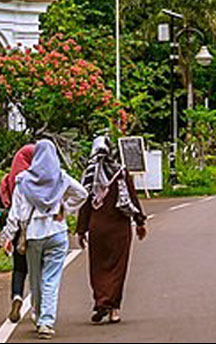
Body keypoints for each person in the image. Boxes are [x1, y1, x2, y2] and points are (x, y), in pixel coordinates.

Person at [1, 140, 88, 340]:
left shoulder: (23, 180)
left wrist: (8, 236)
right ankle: (46, 322)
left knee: (36, 279)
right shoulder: (61, 177)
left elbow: (15, 213)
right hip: (57, 233)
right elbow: (82, 193)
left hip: (33, 236)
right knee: (51, 278)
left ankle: (38, 314)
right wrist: (65, 208)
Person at [77, 136, 148, 325]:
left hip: (97, 228)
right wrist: (139, 221)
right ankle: (114, 309)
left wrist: (81, 230)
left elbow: (85, 203)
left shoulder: (90, 174)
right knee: (118, 268)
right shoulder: (121, 173)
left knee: (98, 267)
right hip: (120, 228)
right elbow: (132, 198)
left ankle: (101, 302)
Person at [0, 144, 35, 324]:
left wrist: (7, 236)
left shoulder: (11, 178)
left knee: (19, 269)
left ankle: (17, 297)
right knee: (38, 270)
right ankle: (38, 308)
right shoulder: (33, 178)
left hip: (18, 227)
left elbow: (6, 200)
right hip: (36, 228)